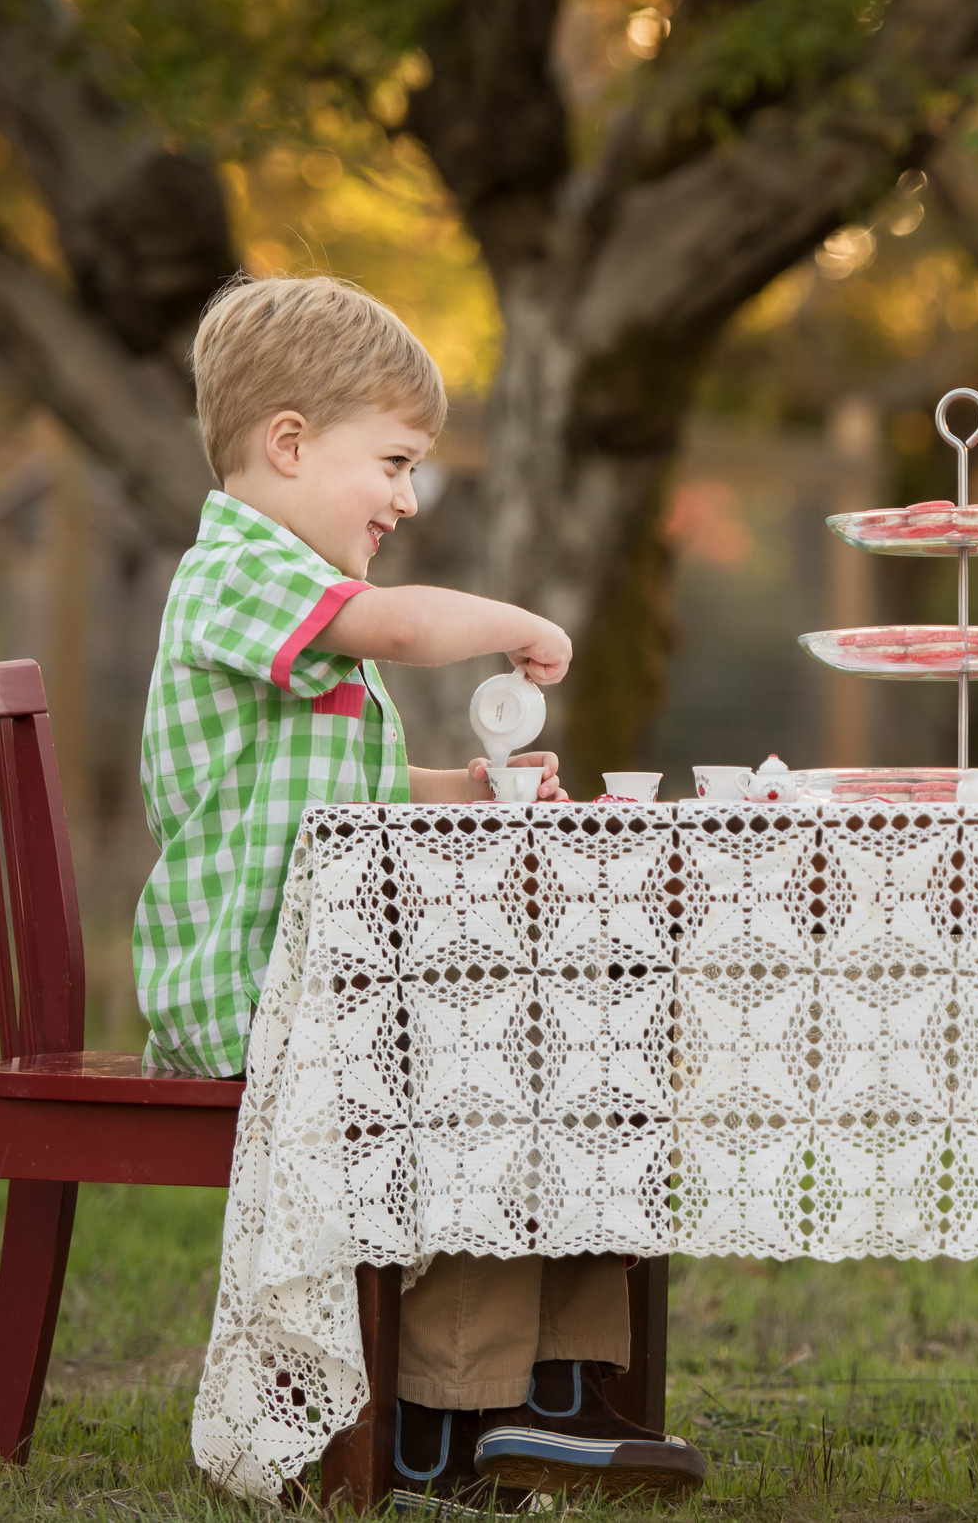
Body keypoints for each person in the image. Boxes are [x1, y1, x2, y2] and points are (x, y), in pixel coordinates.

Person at [134, 275, 708, 1511]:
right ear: (287, 442)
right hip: (249, 989)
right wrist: (512, 622)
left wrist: (459, 786)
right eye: (391, 462)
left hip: (320, 973)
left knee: (581, 1031)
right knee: (480, 1052)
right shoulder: (236, 574)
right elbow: (393, 627)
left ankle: (560, 1384)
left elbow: (341, 778)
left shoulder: (291, 605)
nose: (406, 496)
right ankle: (449, 1417)